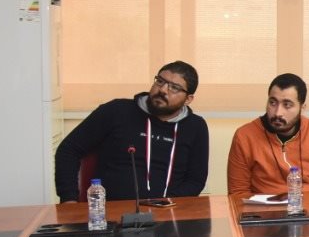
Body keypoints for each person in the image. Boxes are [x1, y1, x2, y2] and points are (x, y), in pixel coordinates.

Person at [54, 61, 209, 202]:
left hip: (169, 212)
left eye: (174, 88)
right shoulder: (116, 111)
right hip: (111, 211)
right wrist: (69, 200)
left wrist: (166, 205)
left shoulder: (196, 127)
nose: (162, 90)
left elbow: (195, 180)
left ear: (188, 99)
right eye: (160, 81)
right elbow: (69, 150)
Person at [227, 73, 309, 197]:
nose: (278, 113)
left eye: (287, 105)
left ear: (302, 108)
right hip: (265, 208)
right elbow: (237, 193)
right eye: (273, 103)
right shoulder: (244, 136)